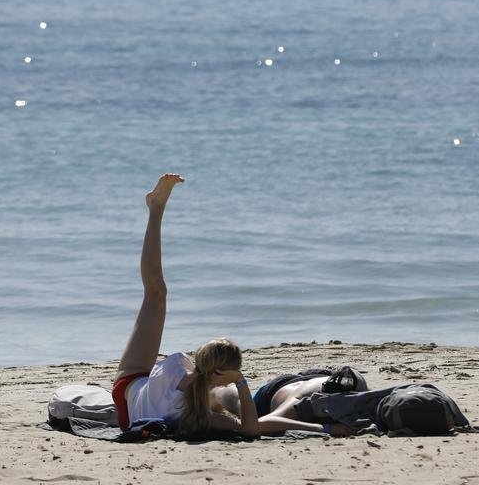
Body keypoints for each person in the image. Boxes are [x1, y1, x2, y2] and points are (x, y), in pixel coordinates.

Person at [111, 173, 344, 437]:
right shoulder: (199, 415)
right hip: (129, 394)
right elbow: (252, 429)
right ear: (223, 376)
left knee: (156, 293)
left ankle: (156, 210)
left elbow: (247, 426)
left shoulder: (178, 367)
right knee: (156, 293)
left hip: (132, 384)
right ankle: (156, 208)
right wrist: (241, 383)